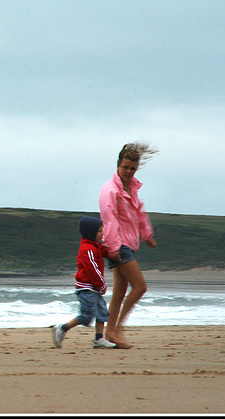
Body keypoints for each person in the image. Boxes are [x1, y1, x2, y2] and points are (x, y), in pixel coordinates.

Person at [99, 142, 158, 349]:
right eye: (125, 167)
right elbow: (109, 220)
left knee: (120, 292)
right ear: (118, 165)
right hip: (118, 245)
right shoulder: (110, 190)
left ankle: (110, 332)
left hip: (129, 244)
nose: (128, 172)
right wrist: (113, 249)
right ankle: (117, 330)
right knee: (140, 287)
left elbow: (138, 213)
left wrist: (147, 234)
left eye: (132, 168)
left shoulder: (132, 188)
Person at [51, 216, 117, 349]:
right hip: (87, 288)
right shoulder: (87, 249)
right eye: (99, 231)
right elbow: (92, 269)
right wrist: (102, 284)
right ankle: (62, 328)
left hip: (94, 288)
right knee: (86, 316)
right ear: (90, 233)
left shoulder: (95, 246)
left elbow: (102, 250)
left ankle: (99, 339)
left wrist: (112, 251)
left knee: (102, 313)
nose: (102, 233)